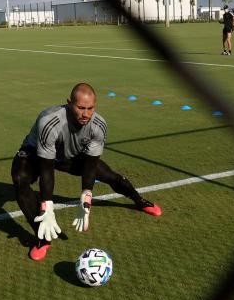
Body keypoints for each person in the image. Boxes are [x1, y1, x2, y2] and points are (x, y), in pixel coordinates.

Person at [11, 82, 162, 261]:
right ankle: (42, 238)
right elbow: (46, 169)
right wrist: (47, 205)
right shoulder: (50, 122)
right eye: (81, 108)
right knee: (20, 179)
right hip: (36, 154)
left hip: (69, 155)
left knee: (109, 176)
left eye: (90, 108)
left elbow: (90, 165)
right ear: (69, 103)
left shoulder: (98, 125)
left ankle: (139, 201)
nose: (86, 114)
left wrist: (86, 196)